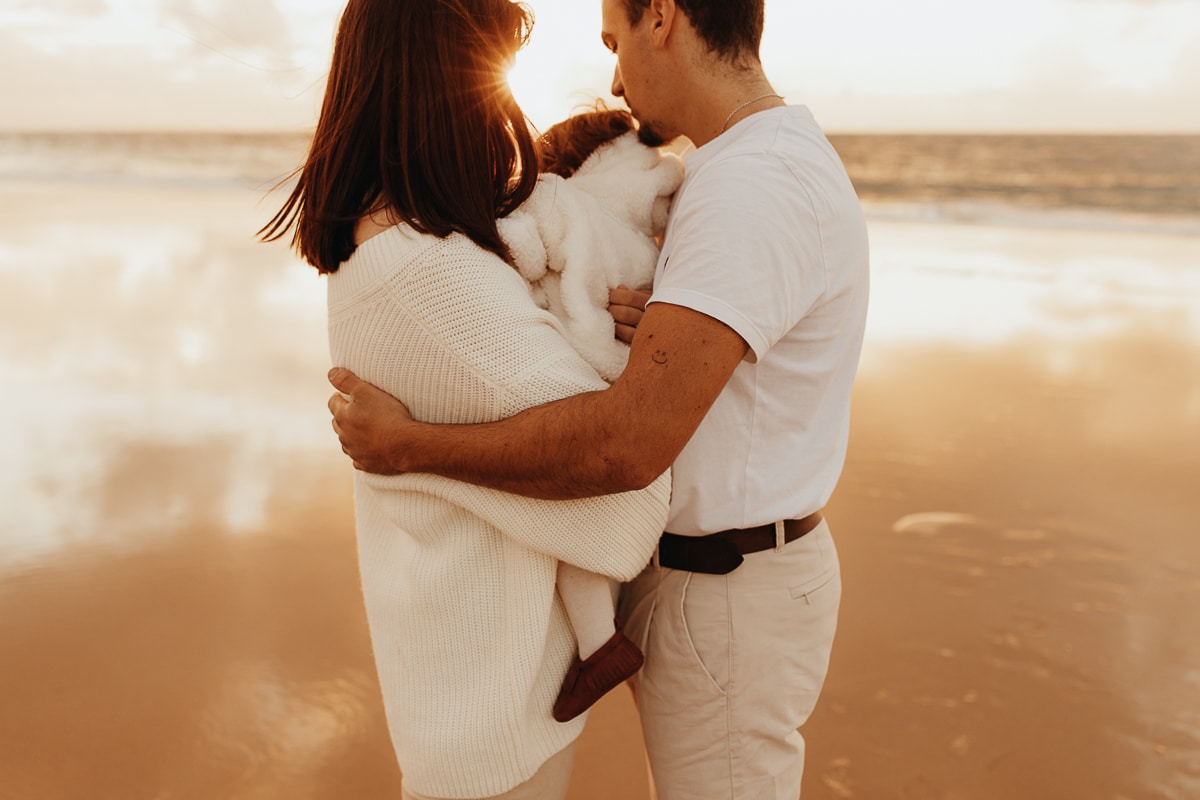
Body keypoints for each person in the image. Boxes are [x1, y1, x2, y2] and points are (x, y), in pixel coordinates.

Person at [327, 0, 870, 798]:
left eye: (616, 43)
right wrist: (661, 333)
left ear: (663, 18)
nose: (614, 82)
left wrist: (409, 447)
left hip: (728, 584)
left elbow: (625, 448)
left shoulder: (753, 182)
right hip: (712, 574)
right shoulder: (734, 168)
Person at [259, 2, 672, 798]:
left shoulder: (386, 249)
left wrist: (413, 452)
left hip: (462, 699)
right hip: (490, 727)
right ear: (458, 80)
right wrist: (412, 451)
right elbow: (627, 503)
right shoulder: (430, 275)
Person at [504, 106, 684, 722]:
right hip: (628, 379)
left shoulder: (559, 200)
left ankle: (601, 646)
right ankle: (602, 634)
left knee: (562, 516)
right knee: (589, 518)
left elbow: (519, 251)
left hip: (576, 373)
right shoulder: (649, 235)